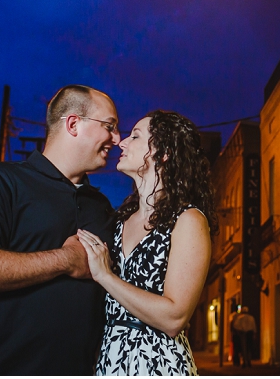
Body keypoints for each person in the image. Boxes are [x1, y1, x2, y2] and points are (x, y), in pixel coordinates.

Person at [0, 85, 120, 375]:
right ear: (74, 123)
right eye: (110, 126)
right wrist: (66, 260)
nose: (116, 139)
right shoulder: (2, 182)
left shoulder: (101, 206)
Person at [78, 110, 217, 376]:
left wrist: (105, 276)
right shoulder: (119, 220)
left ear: (162, 153)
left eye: (135, 136)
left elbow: (175, 317)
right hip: (111, 361)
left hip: (158, 363)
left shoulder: (188, 220)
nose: (122, 143)